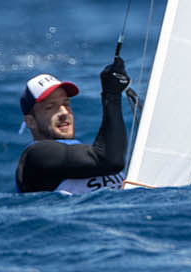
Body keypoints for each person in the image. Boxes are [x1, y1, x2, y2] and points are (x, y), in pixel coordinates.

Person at [15, 58, 130, 193]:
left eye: (66, 104)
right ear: (30, 122)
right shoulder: (37, 156)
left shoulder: (84, 152)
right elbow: (111, 161)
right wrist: (112, 95)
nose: (64, 112)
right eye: (50, 107)